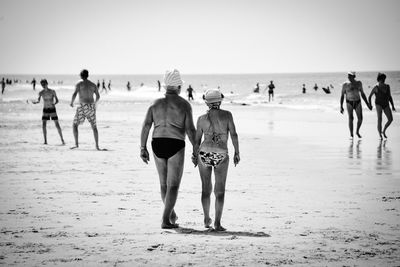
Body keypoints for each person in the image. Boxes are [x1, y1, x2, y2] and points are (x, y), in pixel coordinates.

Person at [140, 69, 196, 229]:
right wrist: (196, 149)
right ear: (179, 86)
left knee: (164, 184)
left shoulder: (154, 103)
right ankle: (165, 220)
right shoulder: (184, 105)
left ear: (165, 85)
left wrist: (142, 147)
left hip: (157, 143)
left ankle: (171, 214)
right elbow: (190, 130)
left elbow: (146, 126)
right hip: (175, 144)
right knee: (173, 186)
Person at [193, 89, 240, 231]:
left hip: (204, 153)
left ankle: (207, 218)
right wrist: (237, 152)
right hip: (221, 154)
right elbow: (234, 135)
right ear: (220, 101)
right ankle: (217, 223)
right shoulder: (227, 115)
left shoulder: (201, 119)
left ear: (207, 102)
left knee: (205, 189)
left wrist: (194, 156)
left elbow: (196, 140)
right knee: (219, 191)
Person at [70, 69, 101, 150]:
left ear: (81, 75)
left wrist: (71, 102)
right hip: (91, 106)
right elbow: (98, 96)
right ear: (88, 75)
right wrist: (95, 104)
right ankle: (97, 146)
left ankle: (76, 144)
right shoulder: (93, 84)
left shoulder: (79, 83)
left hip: (83, 106)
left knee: (75, 125)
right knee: (94, 126)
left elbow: (74, 94)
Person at [32, 79, 65, 145]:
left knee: (57, 125)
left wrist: (54, 103)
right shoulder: (41, 92)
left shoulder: (52, 91)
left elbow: (57, 100)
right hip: (45, 109)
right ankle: (45, 141)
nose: (43, 86)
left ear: (47, 83)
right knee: (44, 125)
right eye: (42, 84)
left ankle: (62, 140)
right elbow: (38, 100)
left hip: (52, 109)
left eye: (44, 84)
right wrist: (35, 102)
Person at [340, 71, 371, 138]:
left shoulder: (359, 83)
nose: (349, 76)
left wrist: (367, 104)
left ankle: (357, 131)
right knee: (351, 118)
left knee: (360, 119)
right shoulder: (345, 84)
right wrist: (341, 106)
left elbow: (362, 94)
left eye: (350, 75)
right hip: (349, 102)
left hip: (357, 102)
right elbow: (342, 95)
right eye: (348, 75)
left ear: (354, 76)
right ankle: (351, 134)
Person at [368, 72, 396, 139]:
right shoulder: (376, 87)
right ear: (379, 79)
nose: (384, 80)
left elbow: (390, 97)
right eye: (382, 78)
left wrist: (393, 106)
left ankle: (383, 131)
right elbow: (369, 97)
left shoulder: (387, 86)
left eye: (384, 78)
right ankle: (380, 135)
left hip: (386, 104)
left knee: (390, 119)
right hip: (378, 104)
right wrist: (370, 105)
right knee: (379, 119)